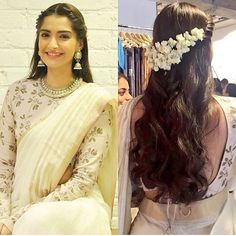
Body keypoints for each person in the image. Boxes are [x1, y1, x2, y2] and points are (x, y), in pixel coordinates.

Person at [119, 2, 236, 234]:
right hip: (214, 228)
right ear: (207, 52)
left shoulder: (131, 112)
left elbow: (128, 189)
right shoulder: (231, 114)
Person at [0, 3, 117, 234]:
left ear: (79, 44)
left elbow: (83, 179)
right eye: (45, 35)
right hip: (12, 211)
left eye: (63, 36)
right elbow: (5, 165)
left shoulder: (96, 102)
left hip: (64, 218)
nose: (52, 44)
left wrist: (18, 220)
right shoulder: (18, 93)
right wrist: (4, 217)